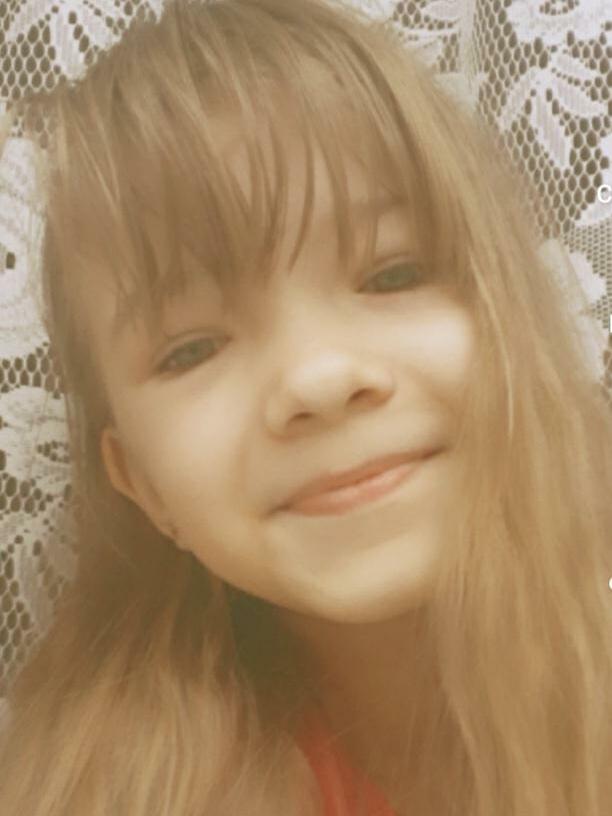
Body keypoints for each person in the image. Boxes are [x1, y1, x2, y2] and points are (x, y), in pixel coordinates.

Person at [0, 0, 610, 814]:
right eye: (193, 349)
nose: (318, 380)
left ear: (517, 321)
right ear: (140, 483)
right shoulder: (112, 792)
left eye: (392, 274)